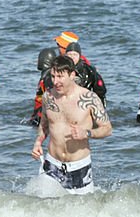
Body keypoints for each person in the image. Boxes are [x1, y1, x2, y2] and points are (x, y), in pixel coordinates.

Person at [31, 55, 112, 194]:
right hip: (52, 164)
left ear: (72, 75)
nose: (55, 81)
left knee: (82, 211)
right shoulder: (48, 97)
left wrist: (87, 133)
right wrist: (38, 142)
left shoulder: (89, 98)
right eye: (53, 76)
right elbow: (44, 124)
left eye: (60, 77)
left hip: (79, 167)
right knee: (44, 207)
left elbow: (107, 129)